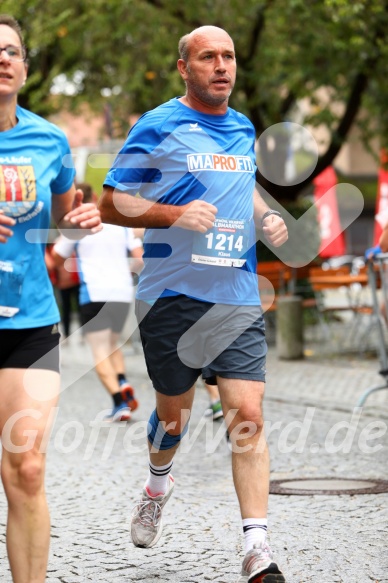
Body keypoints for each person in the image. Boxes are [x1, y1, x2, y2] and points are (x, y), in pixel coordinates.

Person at [99, 25, 288, 583]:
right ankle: (158, 483)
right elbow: (113, 202)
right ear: (185, 67)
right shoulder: (159, 125)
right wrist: (172, 215)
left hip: (235, 293)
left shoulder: (242, 127)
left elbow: (245, 182)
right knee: (172, 417)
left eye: (228, 56)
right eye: (208, 57)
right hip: (171, 296)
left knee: (247, 417)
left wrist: (264, 215)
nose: (222, 65)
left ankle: (257, 546)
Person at [0, 14, 101, 583]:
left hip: (30, 322)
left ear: (26, 67)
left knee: (29, 468)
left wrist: (81, 221)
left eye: (12, 50)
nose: (3, 58)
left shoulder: (49, 139)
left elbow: (65, 216)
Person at [51, 183, 143, 421]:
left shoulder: (78, 223)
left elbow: (55, 259)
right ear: (94, 195)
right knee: (113, 345)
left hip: (94, 292)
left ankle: (118, 403)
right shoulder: (118, 223)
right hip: (122, 292)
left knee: (100, 351)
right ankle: (122, 381)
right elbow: (140, 258)